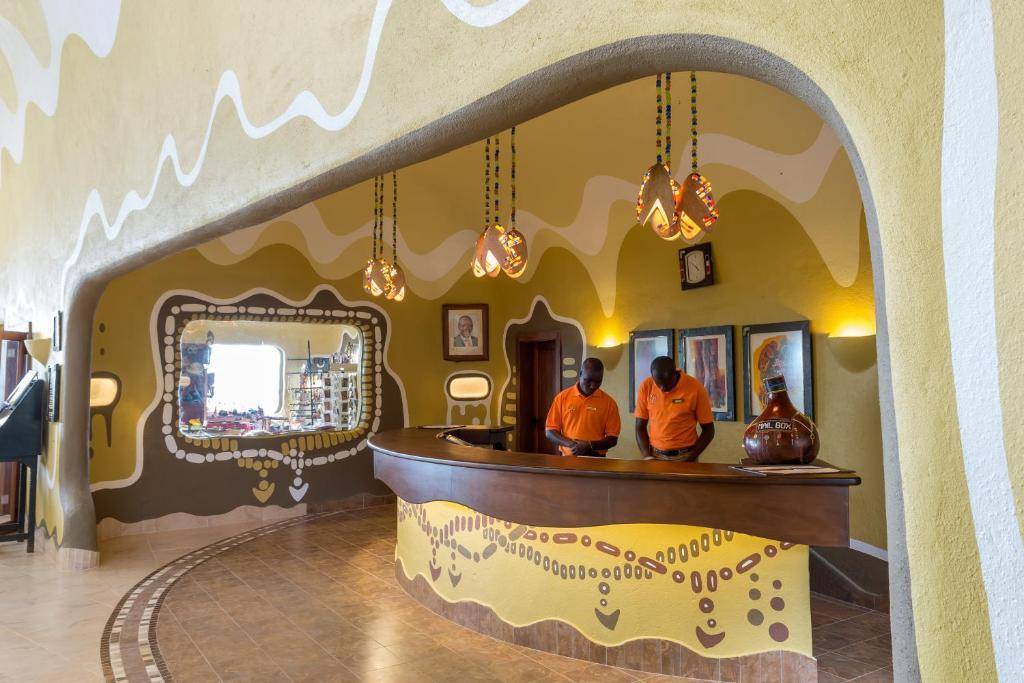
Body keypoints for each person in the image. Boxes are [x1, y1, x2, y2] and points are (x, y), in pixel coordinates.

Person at [635, 355, 715, 461]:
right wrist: (647, 456)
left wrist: (690, 458)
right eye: (659, 384)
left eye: (667, 384)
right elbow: (640, 427)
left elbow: (709, 430)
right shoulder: (646, 386)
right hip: (655, 455)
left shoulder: (695, 388)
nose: (662, 389)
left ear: (675, 374)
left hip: (686, 455)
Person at [545, 358, 621, 457]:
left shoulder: (609, 403)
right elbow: (550, 431)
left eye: (598, 382)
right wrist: (572, 445)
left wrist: (589, 445)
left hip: (596, 459)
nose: (593, 386)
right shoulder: (562, 398)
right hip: (568, 459)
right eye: (588, 380)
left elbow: (613, 439)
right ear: (580, 374)